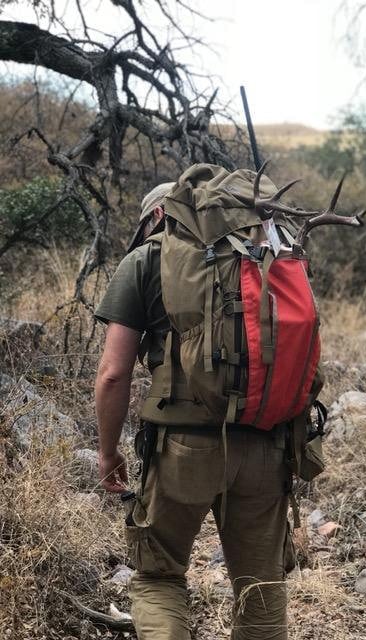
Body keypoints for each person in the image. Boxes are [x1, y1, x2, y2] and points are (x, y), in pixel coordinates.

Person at [94, 181, 294, 640]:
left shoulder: (146, 259)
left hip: (183, 446)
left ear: (160, 216)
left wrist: (108, 453)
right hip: (267, 442)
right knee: (260, 590)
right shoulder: (265, 254)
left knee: (159, 577)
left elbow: (112, 373)